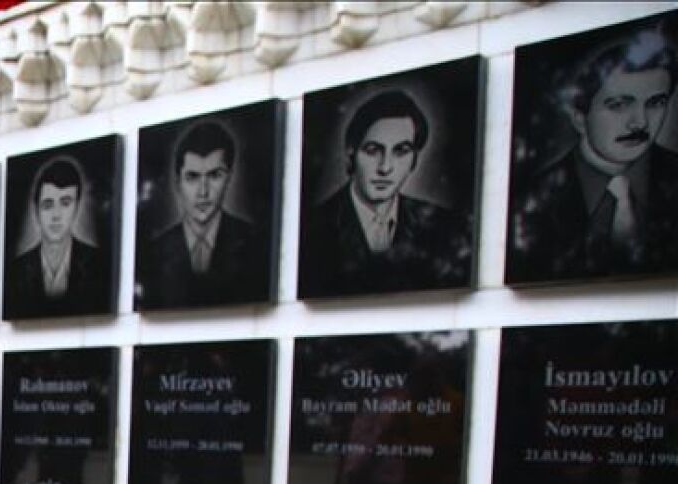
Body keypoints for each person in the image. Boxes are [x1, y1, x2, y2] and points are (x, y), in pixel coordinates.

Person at [510, 29, 678, 281]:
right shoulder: (531, 199)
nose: (640, 123)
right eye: (619, 105)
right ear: (579, 117)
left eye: (655, 103)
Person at [300, 89, 471, 298]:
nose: (385, 167)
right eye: (373, 150)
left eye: (401, 151)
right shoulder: (311, 228)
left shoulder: (443, 226)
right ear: (351, 153)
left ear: (414, 160)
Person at [138, 121, 269, 308]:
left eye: (215, 175)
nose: (203, 192)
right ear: (178, 181)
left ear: (229, 177)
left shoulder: (255, 244)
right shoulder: (153, 252)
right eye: (192, 177)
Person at [6, 156, 108, 316]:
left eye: (65, 203)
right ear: (36, 209)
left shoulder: (99, 265)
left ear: (76, 207)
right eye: (48, 205)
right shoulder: (14, 271)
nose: (56, 215)